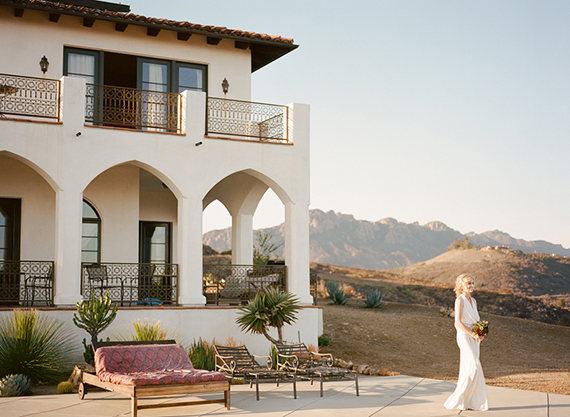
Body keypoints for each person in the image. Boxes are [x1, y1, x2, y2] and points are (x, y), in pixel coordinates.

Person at [444, 273, 489, 411]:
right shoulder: (460, 300)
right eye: (468, 283)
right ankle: (457, 398)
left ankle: (468, 401)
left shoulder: (474, 301)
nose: (471, 286)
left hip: (475, 338)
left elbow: (476, 320)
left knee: (467, 369)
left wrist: (481, 333)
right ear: (461, 286)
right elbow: (457, 322)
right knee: (474, 366)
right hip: (464, 336)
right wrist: (472, 334)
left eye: (472, 283)